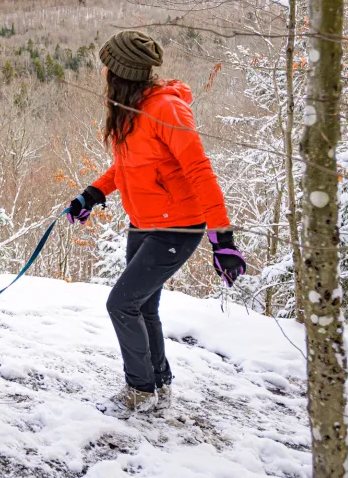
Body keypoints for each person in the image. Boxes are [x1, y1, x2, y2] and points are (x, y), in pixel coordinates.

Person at [68, 30, 246, 416]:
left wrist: (223, 238)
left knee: (121, 305)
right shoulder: (131, 109)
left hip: (177, 228)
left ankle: (140, 389)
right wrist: (93, 193)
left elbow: (199, 171)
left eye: (108, 68)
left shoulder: (167, 109)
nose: (104, 74)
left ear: (121, 73)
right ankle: (159, 384)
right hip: (144, 223)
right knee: (143, 307)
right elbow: (129, 166)